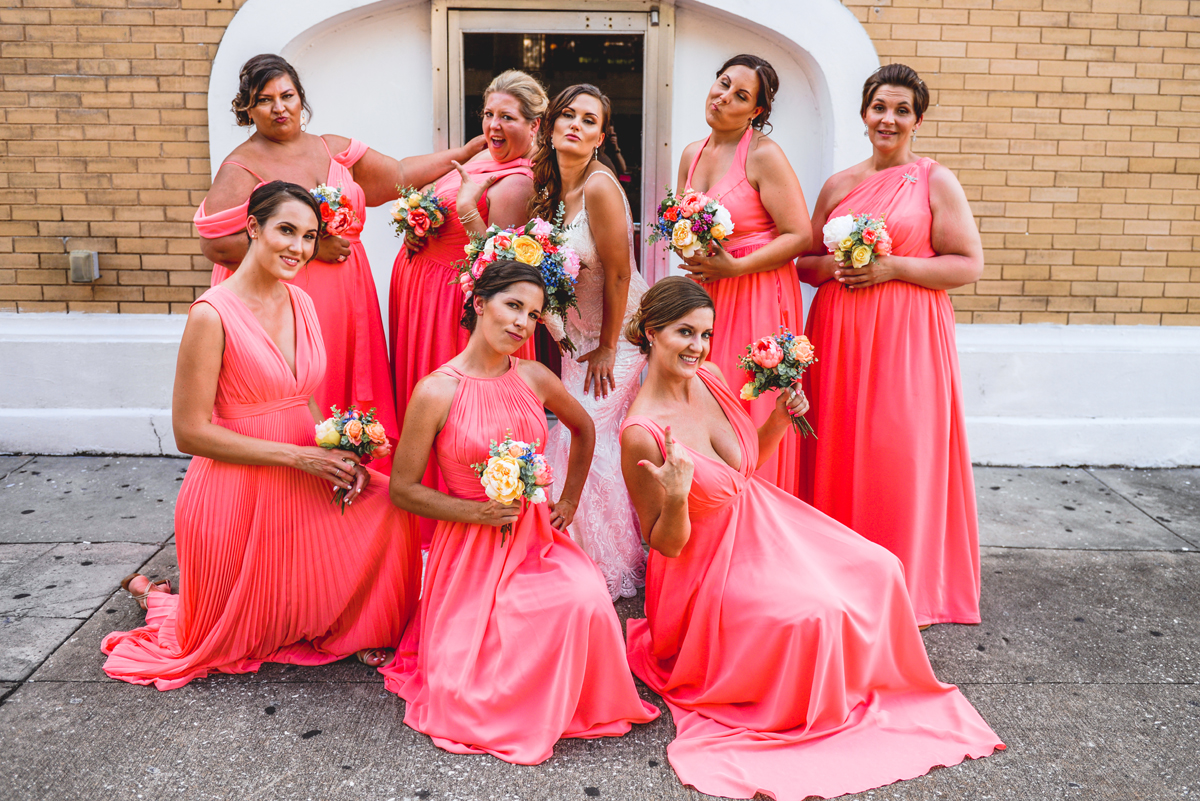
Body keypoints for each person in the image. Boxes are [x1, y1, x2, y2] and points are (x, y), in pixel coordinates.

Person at [618, 277, 1003, 801]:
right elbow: (663, 545)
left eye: (706, 334)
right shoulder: (641, 433)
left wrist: (780, 417)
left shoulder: (709, 378)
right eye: (685, 333)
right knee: (811, 613)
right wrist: (679, 495)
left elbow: (744, 463)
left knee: (880, 567)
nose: (698, 347)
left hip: (763, 525)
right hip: (702, 570)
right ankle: (812, 709)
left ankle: (869, 689)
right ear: (651, 332)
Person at [104, 182, 420, 690]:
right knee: (213, 639)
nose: (298, 247)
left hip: (303, 471)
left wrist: (335, 452)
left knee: (390, 504)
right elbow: (189, 432)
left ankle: (361, 625)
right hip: (235, 491)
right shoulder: (212, 314)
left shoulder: (302, 300)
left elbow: (305, 397)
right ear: (253, 228)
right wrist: (302, 459)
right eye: (286, 231)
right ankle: (155, 596)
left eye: (310, 236)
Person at [381, 259, 659, 764]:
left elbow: (586, 428)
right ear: (478, 303)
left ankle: (564, 700)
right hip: (469, 548)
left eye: (532, 315)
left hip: (535, 539)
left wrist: (570, 499)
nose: (521, 324)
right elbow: (402, 489)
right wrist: (475, 514)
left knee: (588, 601)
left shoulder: (534, 375)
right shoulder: (436, 391)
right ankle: (512, 701)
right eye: (513, 306)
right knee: (487, 658)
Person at [194, 54, 484, 474]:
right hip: (289, 301)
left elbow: (400, 173)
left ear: (301, 98)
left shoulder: (332, 148)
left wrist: (466, 153)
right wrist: (313, 246)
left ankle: (356, 469)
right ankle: (309, 472)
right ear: (248, 110)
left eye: (287, 95)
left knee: (350, 389)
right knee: (312, 385)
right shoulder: (242, 165)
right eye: (264, 100)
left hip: (350, 299)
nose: (279, 107)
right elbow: (217, 244)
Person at [795, 63, 985, 626]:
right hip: (840, 333)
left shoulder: (934, 181)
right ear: (863, 115)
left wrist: (890, 267)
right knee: (839, 441)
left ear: (917, 120)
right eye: (880, 107)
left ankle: (908, 581)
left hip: (909, 337)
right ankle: (840, 575)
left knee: (900, 451)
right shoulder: (839, 186)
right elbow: (805, 263)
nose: (889, 118)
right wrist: (841, 264)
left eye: (902, 110)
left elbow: (967, 264)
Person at [389, 69, 545, 546]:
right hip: (421, 296)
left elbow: (499, 269)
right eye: (488, 114)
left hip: (452, 308)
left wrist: (464, 216)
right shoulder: (478, 157)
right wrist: (420, 222)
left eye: (509, 117)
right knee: (419, 410)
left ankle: (439, 528)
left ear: (535, 126)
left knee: (450, 419)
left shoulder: (518, 183)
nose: (494, 126)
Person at [673, 54, 812, 495]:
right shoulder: (691, 153)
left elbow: (799, 234)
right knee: (705, 397)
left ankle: (757, 510)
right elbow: (680, 221)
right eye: (723, 84)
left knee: (747, 401)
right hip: (707, 292)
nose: (724, 97)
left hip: (755, 291)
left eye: (741, 96)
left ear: (755, 112)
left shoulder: (765, 156)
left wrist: (734, 265)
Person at [532, 84, 650, 600]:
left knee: (590, 435)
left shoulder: (600, 188)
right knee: (577, 433)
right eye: (568, 116)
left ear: (601, 136)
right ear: (551, 126)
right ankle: (568, 545)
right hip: (576, 341)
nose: (576, 125)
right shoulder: (554, 186)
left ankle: (604, 558)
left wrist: (605, 347)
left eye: (589, 120)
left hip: (616, 337)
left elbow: (621, 274)